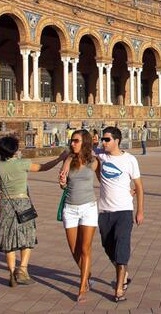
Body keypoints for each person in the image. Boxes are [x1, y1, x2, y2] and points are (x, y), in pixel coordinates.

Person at [0, 135, 66, 287]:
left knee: (8, 239)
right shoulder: (23, 164)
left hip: (5, 204)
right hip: (23, 202)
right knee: (27, 235)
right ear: (15, 150)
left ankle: (11, 271)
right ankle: (23, 269)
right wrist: (59, 159)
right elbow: (43, 167)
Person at [96, 126, 144, 302]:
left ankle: (119, 289)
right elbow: (79, 151)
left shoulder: (129, 160)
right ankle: (123, 273)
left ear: (117, 141)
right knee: (108, 247)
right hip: (104, 211)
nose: (104, 142)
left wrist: (140, 210)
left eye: (107, 139)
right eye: (103, 139)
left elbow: (138, 186)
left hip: (124, 210)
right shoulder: (100, 155)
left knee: (121, 247)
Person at [57, 130, 99, 303]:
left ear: (85, 142)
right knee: (74, 250)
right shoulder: (68, 160)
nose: (72, 143)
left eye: (76, 141)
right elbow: (63, 183)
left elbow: (104, 179)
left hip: (88, 207)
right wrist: (62, 182)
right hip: (70, 209)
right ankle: (86, 273)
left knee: (85, 249)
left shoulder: (94, 161)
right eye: (72, 141)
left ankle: (82, 287)